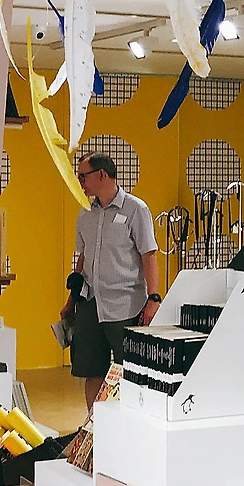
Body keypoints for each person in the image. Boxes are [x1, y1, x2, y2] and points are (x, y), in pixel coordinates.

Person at [62, 152, 160, 408]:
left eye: (83, 176)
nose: (80, 182)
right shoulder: (85, 214)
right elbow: (83, 258)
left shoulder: (136, 210)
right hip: (91, 305)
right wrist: (71, 301)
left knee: (131, 371)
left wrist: (154, 298)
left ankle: (130, 421)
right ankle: (93, 425)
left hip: (126, 306)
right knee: (92, 371)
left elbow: (148, 255)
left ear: (102, 175)